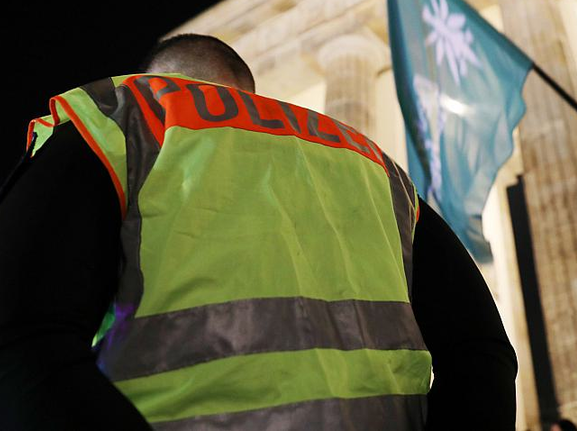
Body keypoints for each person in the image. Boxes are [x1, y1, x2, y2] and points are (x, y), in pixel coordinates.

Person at [0, 34, 518, 429]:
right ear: (249, 93)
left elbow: (22, 335)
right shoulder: (370, 165)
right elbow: (481, 351)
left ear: (154, 81)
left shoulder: (121, 124)